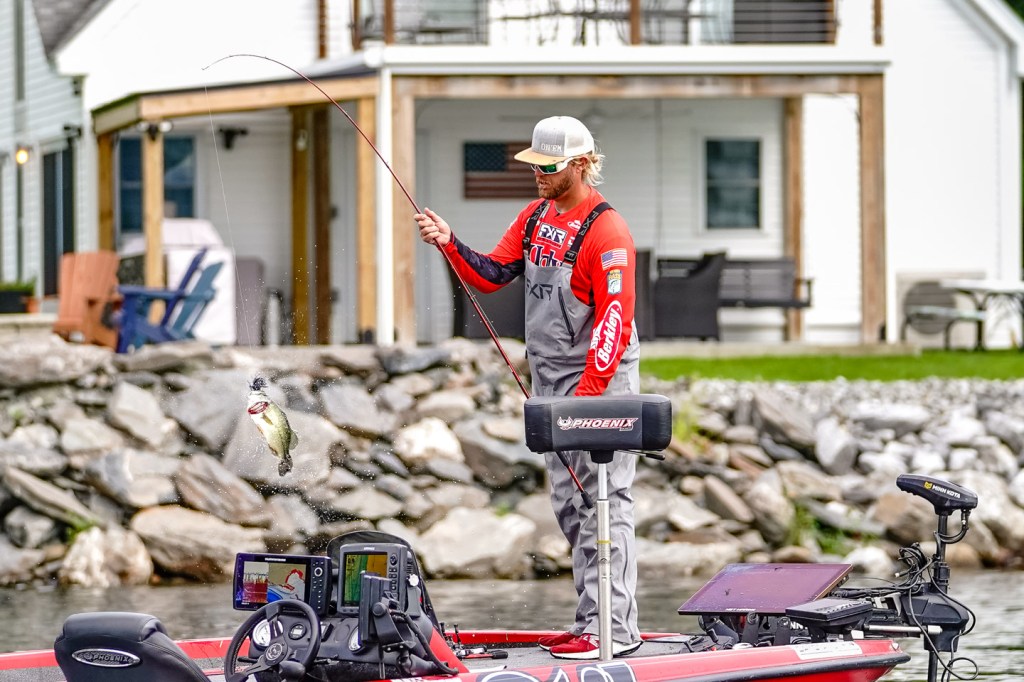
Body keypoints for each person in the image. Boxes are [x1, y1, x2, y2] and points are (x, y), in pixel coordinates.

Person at [415, 115, 641, 660]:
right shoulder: (535, 217)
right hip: (551, 381)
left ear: (582, 165)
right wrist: (450, 243)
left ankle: (615, 630)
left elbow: (613, 323)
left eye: (549, 166)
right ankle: (589, 621)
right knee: (569, 503)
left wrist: (583, 403)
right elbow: (492, 273)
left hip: (600, 381)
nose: (538, 175)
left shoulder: (608, 233)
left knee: (605, 503)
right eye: (534, 165)